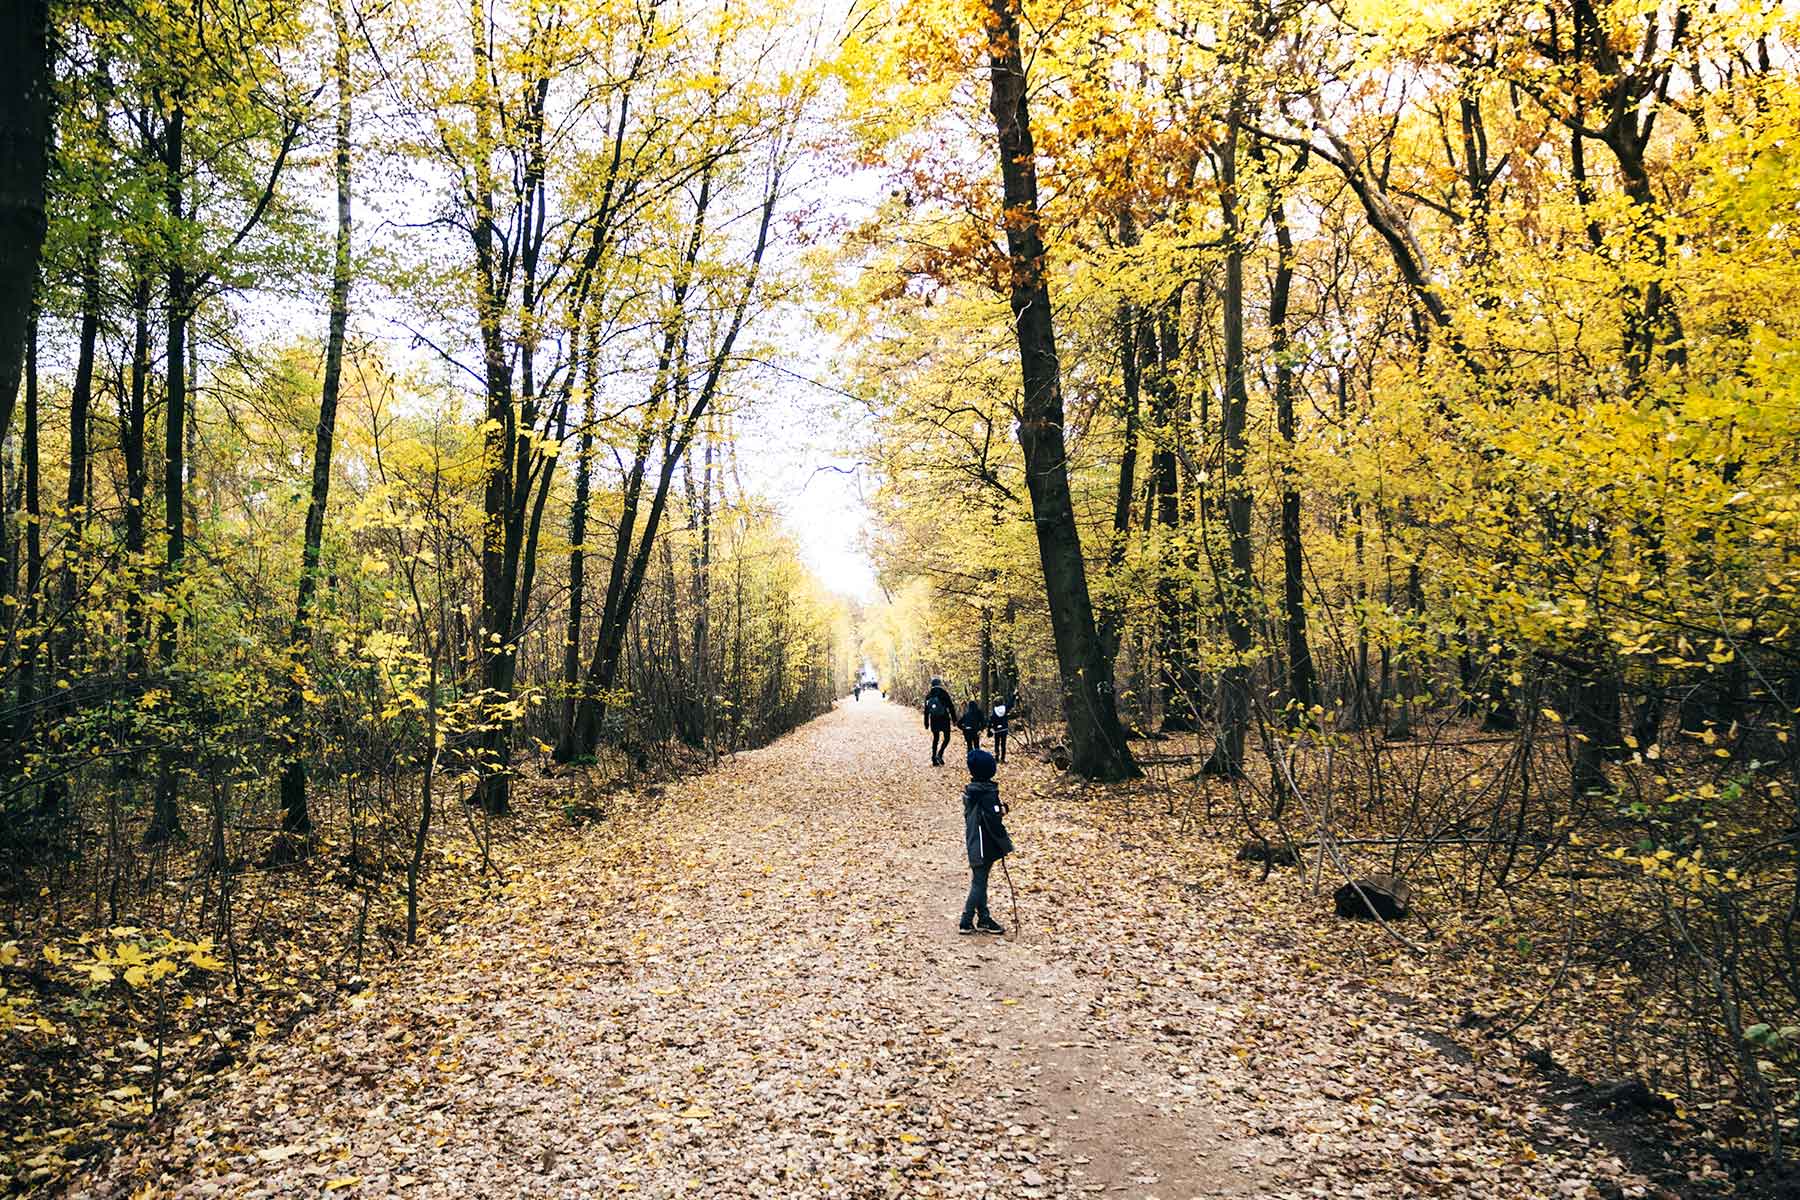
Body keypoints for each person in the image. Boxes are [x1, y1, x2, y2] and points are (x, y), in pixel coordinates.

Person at [959, 748, 1011, 935]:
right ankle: (966, 920)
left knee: (981, 881)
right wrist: (1001, 812)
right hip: (983, 845)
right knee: (979, 882)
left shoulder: (975, 791)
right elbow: (993, 819)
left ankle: (984, 918)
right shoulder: (985, 793)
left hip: (977, 842)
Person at [923, 676, 955, 766]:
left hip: (934, 720)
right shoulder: (944, 693)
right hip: (944, 719)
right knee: (947, 738)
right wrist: (954, 719)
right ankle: (940, 754)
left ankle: (933, 758)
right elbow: (951, 706)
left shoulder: (929, 695)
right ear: (939, 684)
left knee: (935, 739)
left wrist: (926, 723)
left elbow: (926, 711)